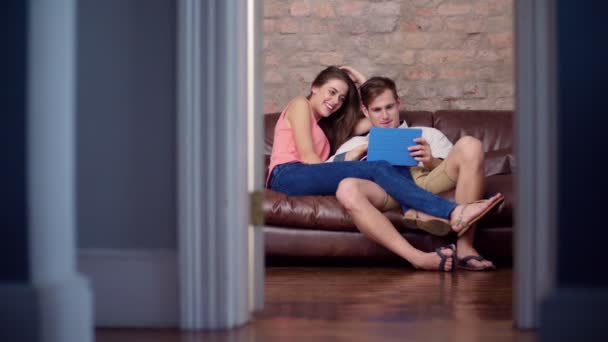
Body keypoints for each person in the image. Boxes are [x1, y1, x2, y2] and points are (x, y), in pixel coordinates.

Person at [266, 65, 503, 272]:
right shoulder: (299, 104)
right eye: (332, 92)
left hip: (302, 175)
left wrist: (362, 83)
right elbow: (309, 160)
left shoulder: (328, 128)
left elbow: (377, 115)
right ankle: (452, 212)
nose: (336, 100)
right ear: (315, 87)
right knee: (377, 165)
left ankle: (415, 212)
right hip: (287, 174)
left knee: (386, 153)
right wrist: (351, 159)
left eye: (342, 97)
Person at [331, 74, 499, 271]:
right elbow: (324, 173)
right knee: (346, 187)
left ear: (398, 104)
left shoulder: (427, 133)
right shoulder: (355, 143)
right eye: (377, 110)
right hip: (385, 191)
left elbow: (462, 169)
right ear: (365, 112)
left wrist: (431, 161)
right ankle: (417, 258)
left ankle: (465, 247)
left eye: (389, 107)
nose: (385, 116)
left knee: (471, 144)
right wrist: (357, 154)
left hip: (426, 181)